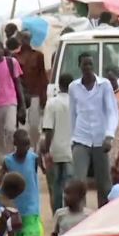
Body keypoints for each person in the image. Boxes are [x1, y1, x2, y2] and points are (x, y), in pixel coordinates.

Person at [69, 53, 119, 208]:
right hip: (81, 138)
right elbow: (72, 114)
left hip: (101, 140)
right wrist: (72, 138)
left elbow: (112, 112)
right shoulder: (73, 87)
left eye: (90, 64)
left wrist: (109, 136)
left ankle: (104, 213)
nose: (88, 67)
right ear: (79, 66)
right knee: (78, 181)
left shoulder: (104, 85)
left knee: (104, 182)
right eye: (85, 64)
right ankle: (80, 213)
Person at [0, 130, 42, 236]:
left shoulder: (34, 158)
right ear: (15, 144)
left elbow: (35, 176)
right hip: (14, 207)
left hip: (30, 206)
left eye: (28, 144)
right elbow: (0, 181)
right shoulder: (8, 161)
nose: (26, 148)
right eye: (23, 144)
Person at [0, 41, 25, 157]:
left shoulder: (12, 62)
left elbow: (18, 83)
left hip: (10, 101)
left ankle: (11, 154)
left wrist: (22, 104)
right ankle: (1, 158)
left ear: (3, 50)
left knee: (10, 129)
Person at [42, 73, 74, 213]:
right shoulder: (76, 103)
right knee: (69, 186)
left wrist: (46, 150)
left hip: (55, 150)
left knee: (55, 187)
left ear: (59, 86)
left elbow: (49, 129)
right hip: (71, 151)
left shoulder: (52, 103)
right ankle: (68, 214)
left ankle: (57, 215)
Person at [14, 31, 49, 152]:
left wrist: (44, 97)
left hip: (34, 95)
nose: (25, 40)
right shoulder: (14, 57)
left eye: (27, 37)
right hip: (20, 96)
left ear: (30, 39)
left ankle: (34, 149)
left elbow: (42, 77)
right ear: (19, 39)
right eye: (23, 37)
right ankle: (22, 150)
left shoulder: (38, 56)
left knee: (34, 126)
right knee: (22, 127)